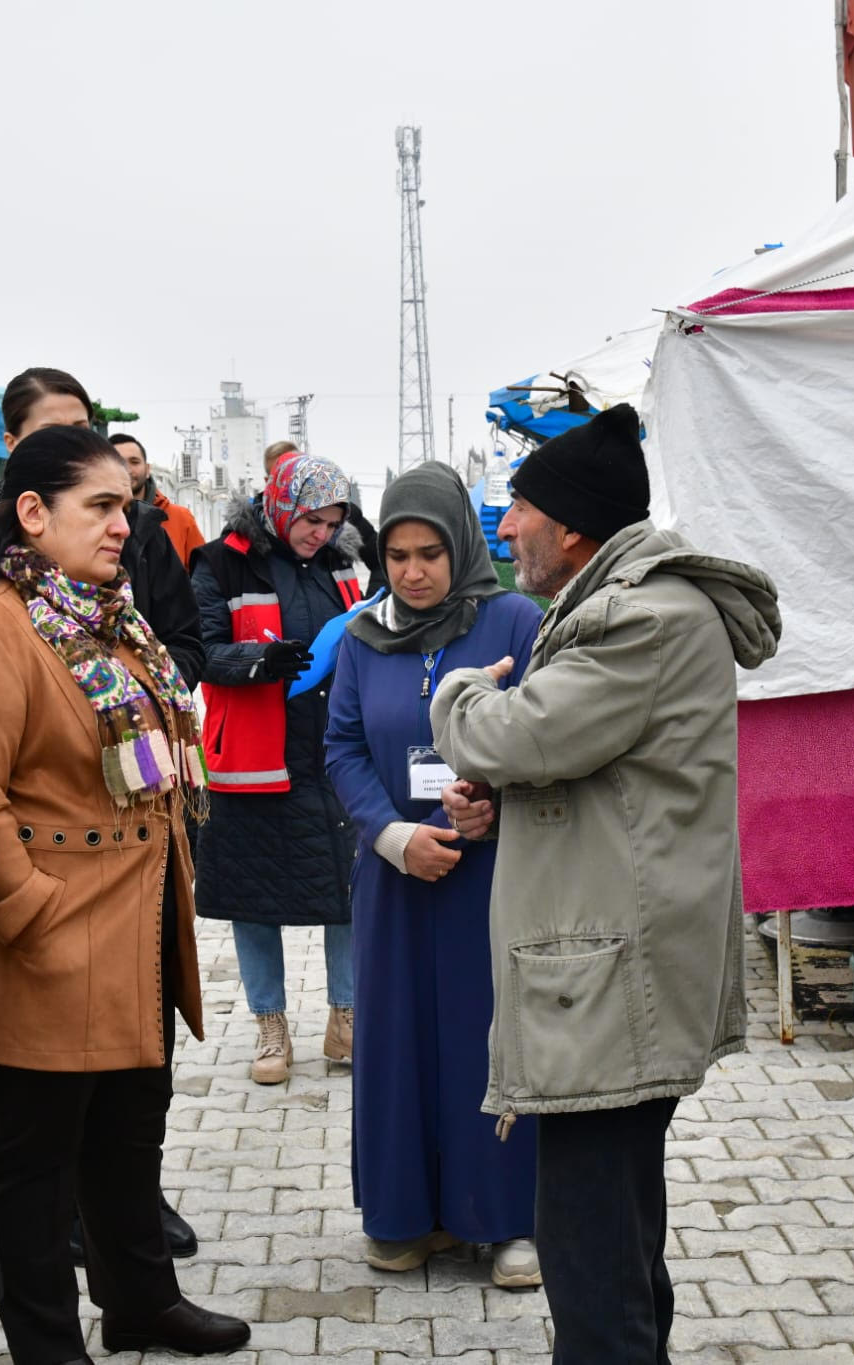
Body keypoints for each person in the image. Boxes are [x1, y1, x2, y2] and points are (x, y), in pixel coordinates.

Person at [428, 403, 781, 1364]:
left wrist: (459, 690)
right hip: (611, 965)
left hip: (609, 978)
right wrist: (506, 809)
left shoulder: (639, 618)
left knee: (591, 1259)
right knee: (615, 1236)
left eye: (519, 510)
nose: (504, 530)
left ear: (574, 526)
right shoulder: (620, 608)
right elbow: (605, 781)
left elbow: (513, 733)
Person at [0, 424, 249, 1364]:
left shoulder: (111, 617)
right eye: (100, 506)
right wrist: (31, 915)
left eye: (127, 506)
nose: (121, 525)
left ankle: (140, 1302)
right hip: (48, 946)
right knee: (33, 1169)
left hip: (136, 928)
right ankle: (47, 1342)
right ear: (33, 512)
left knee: (129, 1139)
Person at [324, 461, 543, 1286]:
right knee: (399, 1038)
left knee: (491, 1036)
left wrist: (494, 795)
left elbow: (547, 732)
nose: (413, 572)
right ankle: (405, 1214)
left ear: (461, 546)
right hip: (396, 880)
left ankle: (509, 1220)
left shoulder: (514, 624)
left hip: (494, 875)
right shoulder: (360, 634)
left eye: (430, 553)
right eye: (396, 554)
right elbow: (340, 747)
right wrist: (391, 835)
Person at [190, 452, 367, 1084]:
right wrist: (264, 662)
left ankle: (346, 1019)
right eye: (311, 519)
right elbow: (201, 650)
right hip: (254, 758)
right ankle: (271, 1026)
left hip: (332, 753)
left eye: (332, 521)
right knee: (253, 895)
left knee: (348, 889)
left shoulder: (342, 565)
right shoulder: (219, 562)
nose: (320, 533)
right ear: (282, 504)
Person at [0, 368, 204, 693]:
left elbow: (184, 641)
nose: (70, 443)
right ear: (11, 443)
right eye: (50, 431)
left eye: (81, 429)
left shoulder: (139, 531)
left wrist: (131, 702)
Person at [265, 439, 383, 593]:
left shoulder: (345, 515)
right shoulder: (241, 549)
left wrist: (370, 608)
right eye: (313, 520)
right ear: (269, 482)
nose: (321, 535)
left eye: (333, 525)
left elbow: (382, 559)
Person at [112, 433, 203, 567]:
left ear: (148, 469)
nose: (127, 469)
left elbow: (202, 576)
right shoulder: (94, 520)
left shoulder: (180, 519)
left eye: (134, 462)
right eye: (119, 463)